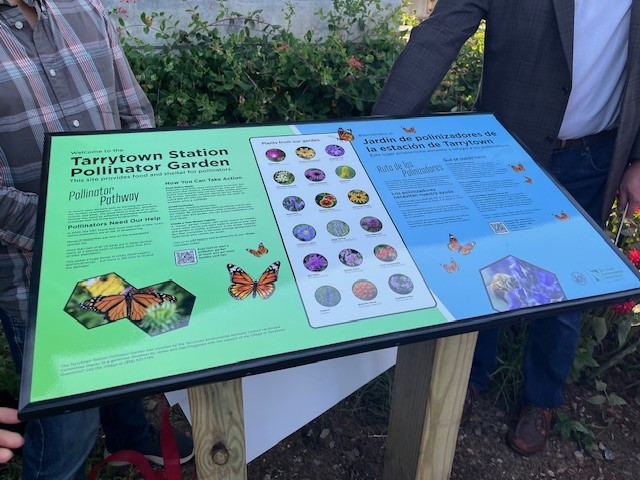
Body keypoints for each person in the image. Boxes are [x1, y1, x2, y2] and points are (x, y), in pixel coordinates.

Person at [373, 0, 640, 455]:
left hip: (593, 158)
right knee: (487, 267)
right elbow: (439, 35)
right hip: (505, 146)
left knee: (566, 285)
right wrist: (374, 133)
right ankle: (467, 379)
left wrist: (637, 158)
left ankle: (542, 399)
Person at [0, 0, 193, 477]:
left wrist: (132, 212)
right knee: (68, 423)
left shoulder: (83, 7)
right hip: (34, 274)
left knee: (124, 348)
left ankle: (129, 436)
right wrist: (92, 230)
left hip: (122, 246)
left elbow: (136, 119)